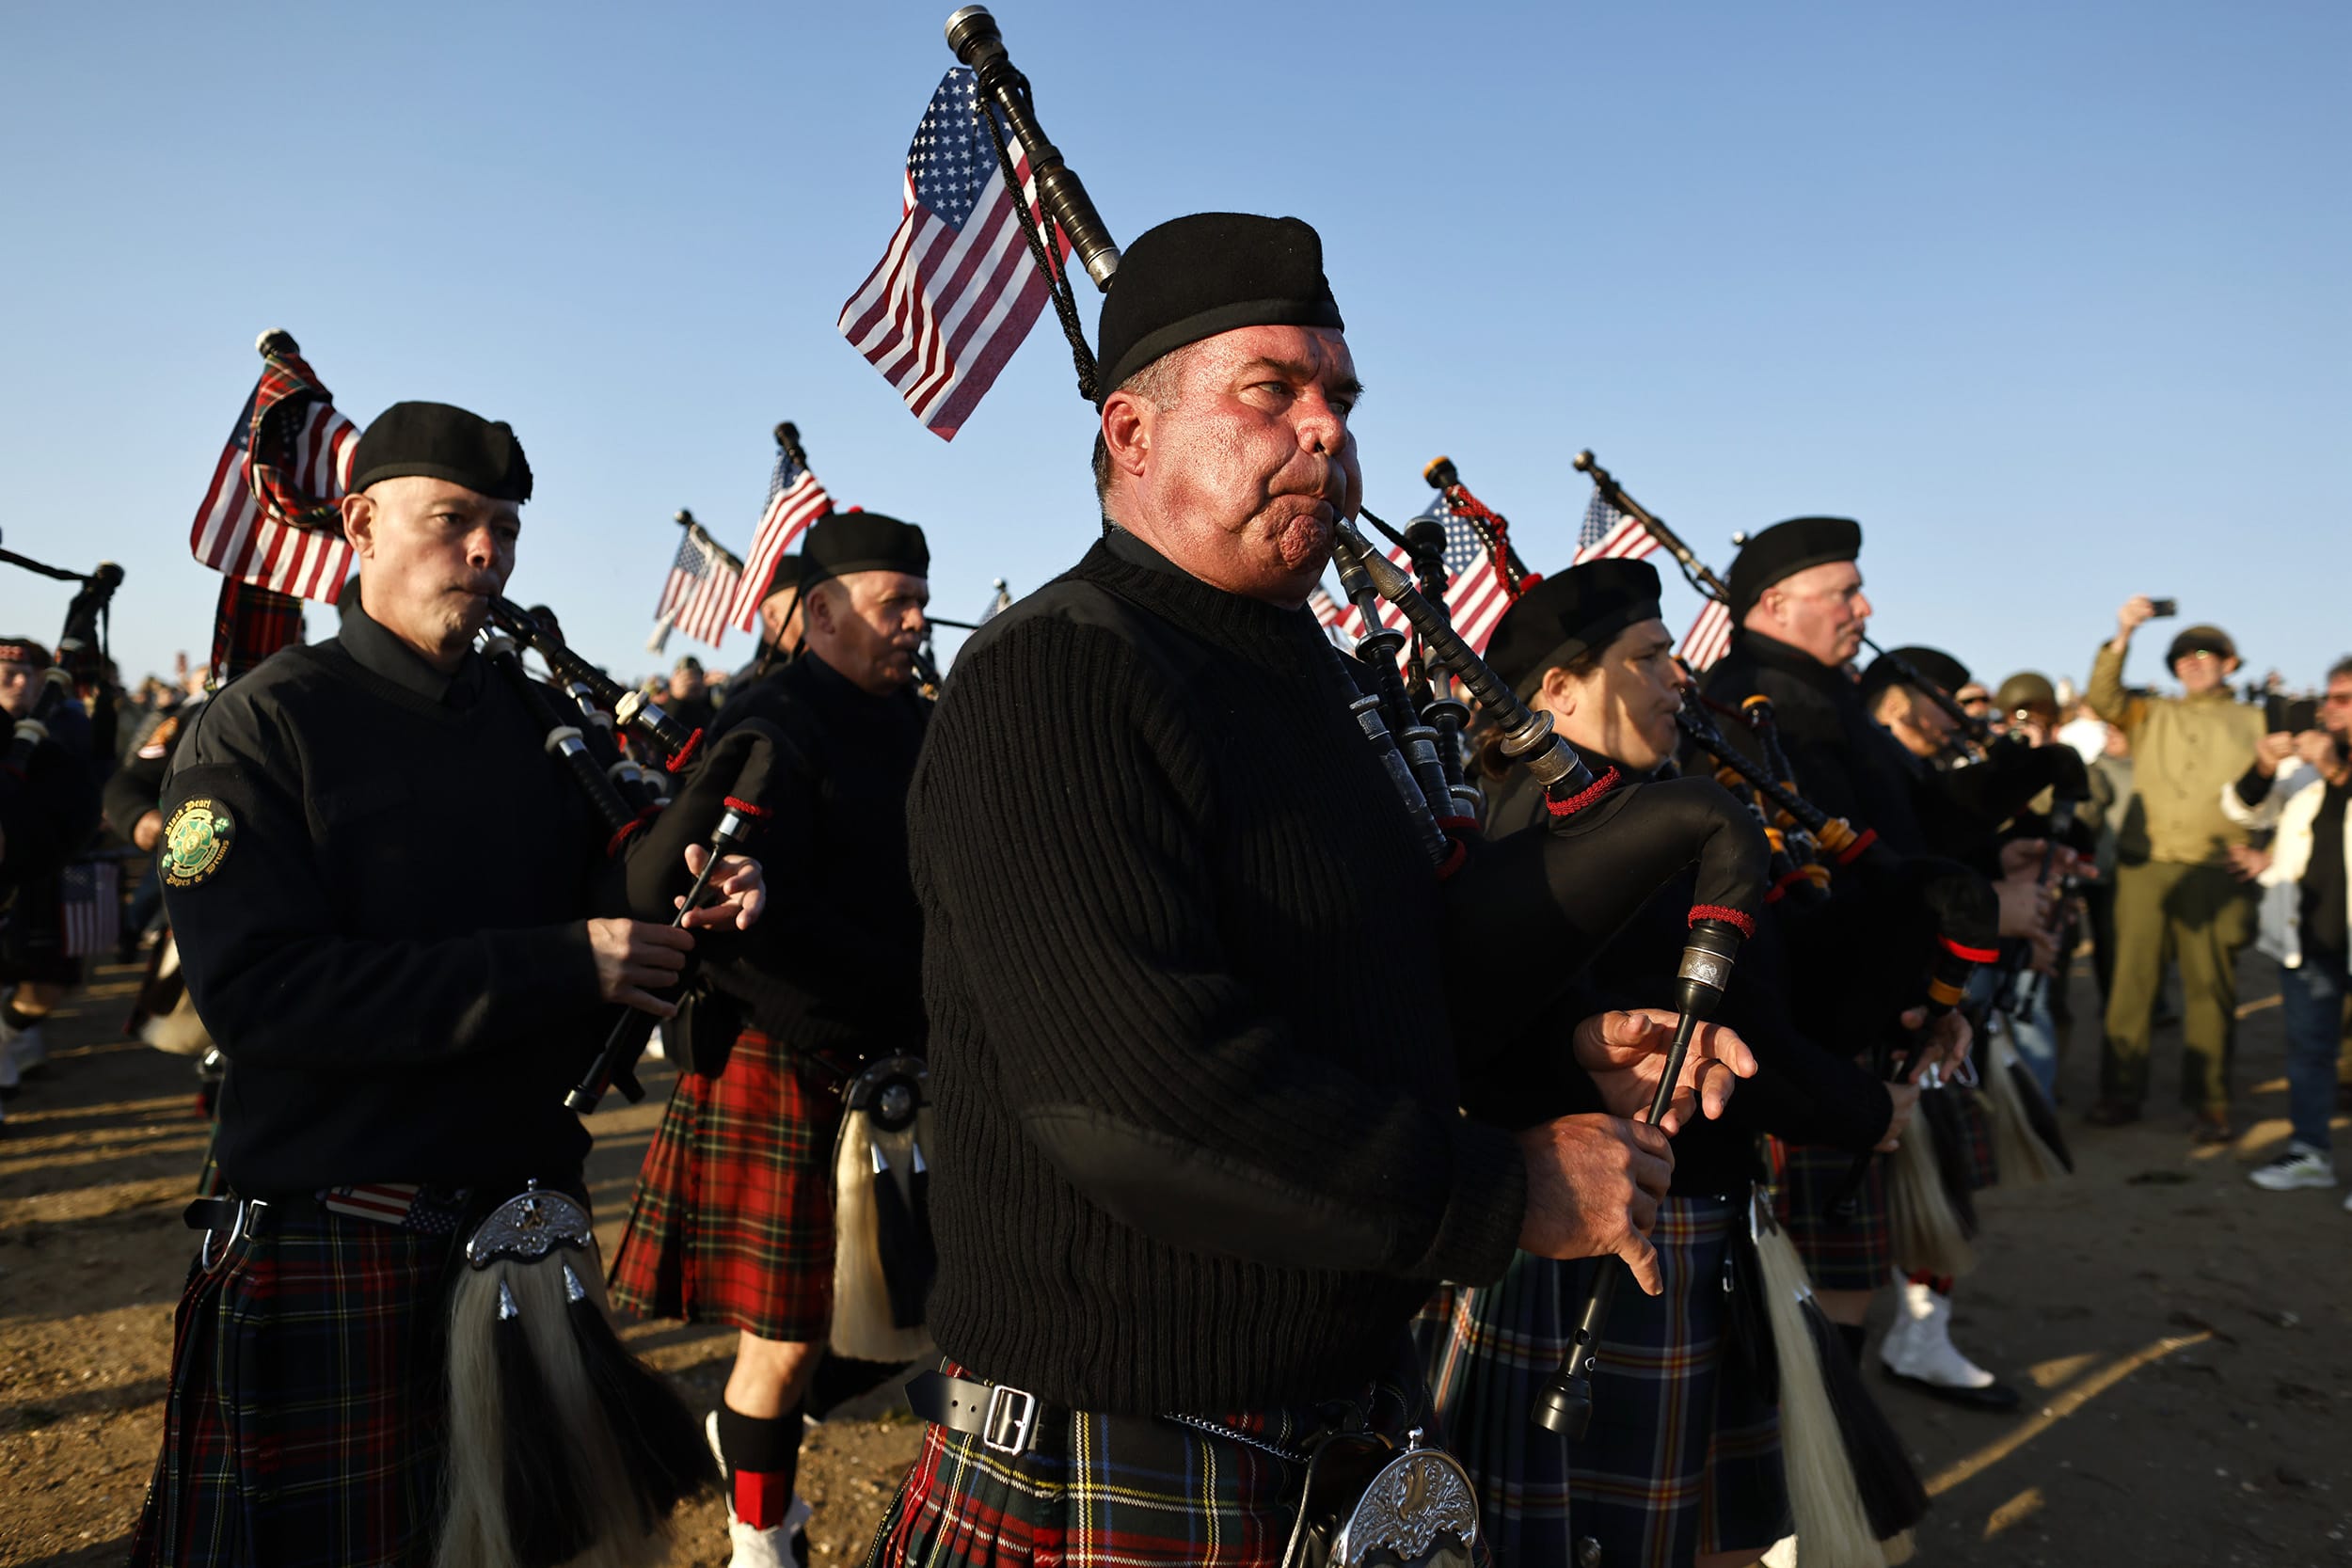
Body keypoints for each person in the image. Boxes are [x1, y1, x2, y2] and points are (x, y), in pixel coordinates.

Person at [864, 213, 1753, 1568]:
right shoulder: (1057, 674)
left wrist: (1555, 1051)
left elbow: (1387, 970)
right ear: (1133, 433)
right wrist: (1495, 1190)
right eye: (1269, 390)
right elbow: (1135, 1100)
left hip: (1327, 1422)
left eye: (1337, 396)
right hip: (1118, 1441)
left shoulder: (1321, 681)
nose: (1326, 429)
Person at [128, 401, 766, 1567]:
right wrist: (565, 959)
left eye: (506, 528)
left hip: (520, 1228)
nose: (488, 552)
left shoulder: (533, 717)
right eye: (454, 520)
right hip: (342, 1228)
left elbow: (611, 892)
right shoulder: (259, 727)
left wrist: (703, 881)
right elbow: (263, 996)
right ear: (362, 523)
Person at [1423, 561, 1927, 1568]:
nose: (1673, 679)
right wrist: (1865, 1106)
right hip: (1596, 1246)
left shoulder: (1646, 801)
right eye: (1646, 660)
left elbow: (1769, 993)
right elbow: (1711, 1039)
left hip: (1684, 1218)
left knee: (1691, 1534)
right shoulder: (1538, 835)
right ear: (1556, 692)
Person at [609, 511, 932, 1568]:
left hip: (899, 1060)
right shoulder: (771, 725)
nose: (917, 623)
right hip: (787, 1060)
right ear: (825, 612)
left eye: (920, 601)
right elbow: (665, 887)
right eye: (897, 603)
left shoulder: (918, 724)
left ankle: (761, 1449)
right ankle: (759, 1536)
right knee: (785, 1341)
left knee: (914, 1309)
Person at [1699, 525, 2020, 1414]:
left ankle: (1816, 1467)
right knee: (1809, 1287)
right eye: (1844, 591)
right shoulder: (1759, 704)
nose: (1864, 608)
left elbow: (1906, 833)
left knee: (1844, 1279)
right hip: (1811, 1029)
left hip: (1870, 1012)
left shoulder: (1824, 698)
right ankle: (1793, 1497)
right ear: (1773, 604)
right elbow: (1821, 891)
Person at [2085, 601, 2268, 1139]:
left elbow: (2282, 794)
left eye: (2205, 653)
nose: (2192, 661)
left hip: (2216, 869)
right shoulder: (2150, 713)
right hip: (2147, 866)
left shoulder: (2258, 719)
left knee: (2211, 988)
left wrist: (2267, 852)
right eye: (2182, 656)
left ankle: (2210, 1101)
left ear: (2230, 663)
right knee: (2130, 985)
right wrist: (2124, 632)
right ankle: (2120, 1092)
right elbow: (2104, 698)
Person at [2223, 657, 2352, 1200]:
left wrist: (2340, 772)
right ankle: (2310, 1151)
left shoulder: (2328, 766)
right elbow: (2247, 812)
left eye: (2343, 699)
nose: (2328, 710)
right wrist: (2259, 766)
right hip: (2309, 936)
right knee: (2308, 1050)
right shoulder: (2304, 770)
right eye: (2328, 698)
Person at [0, 633, 103, 1100]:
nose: (18, 680)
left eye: (28, 673)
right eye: (8, 672)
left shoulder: (63, 730)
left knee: (45, 987)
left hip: (40, 878)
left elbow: (81, 805)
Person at [667, 654, 718, 732]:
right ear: (672, 682)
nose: (692, 681)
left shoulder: (711, 709)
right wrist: (676, 698)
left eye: (697, 675)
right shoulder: (664, 709)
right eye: (684, 678)